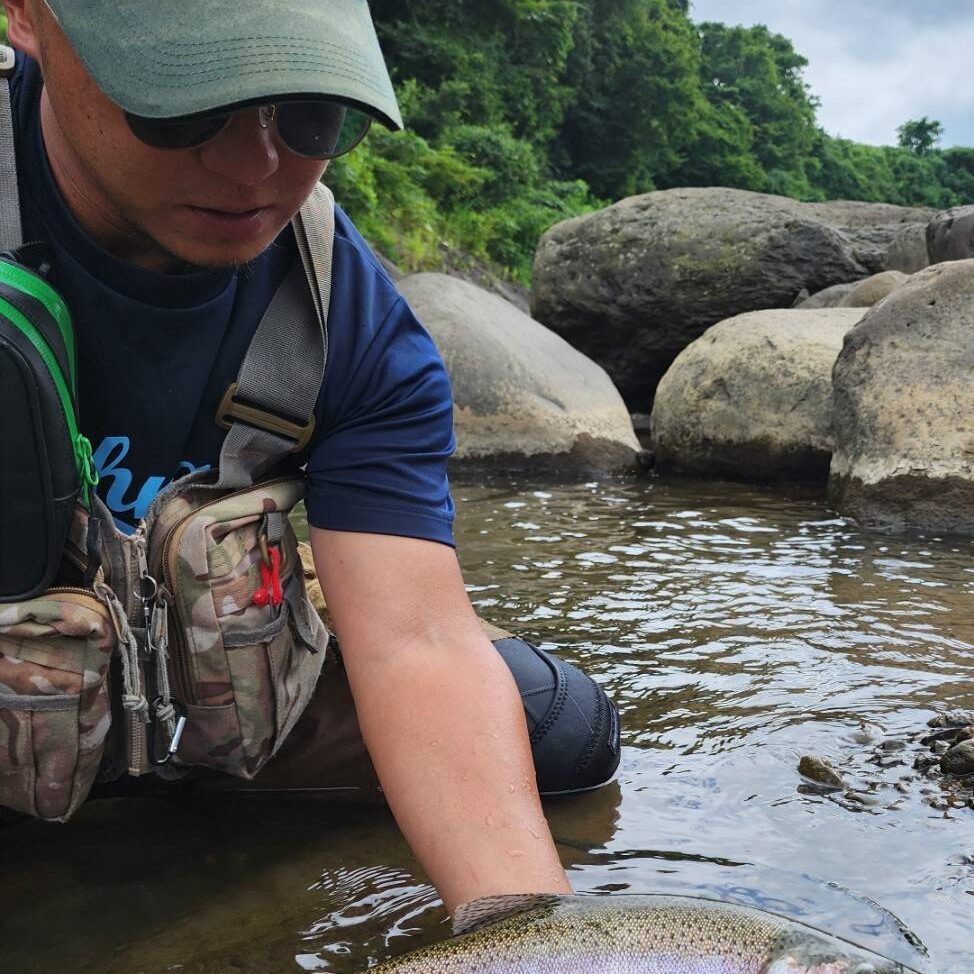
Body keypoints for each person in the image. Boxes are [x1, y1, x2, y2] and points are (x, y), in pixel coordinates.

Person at [1, 0, 620, 913]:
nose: (255, 169)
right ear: (27, 16)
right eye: (181, 106)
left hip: (194, 712)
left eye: (309, 115)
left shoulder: (346, 319)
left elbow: (421, 645)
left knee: (557, 733)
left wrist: (522, 934)